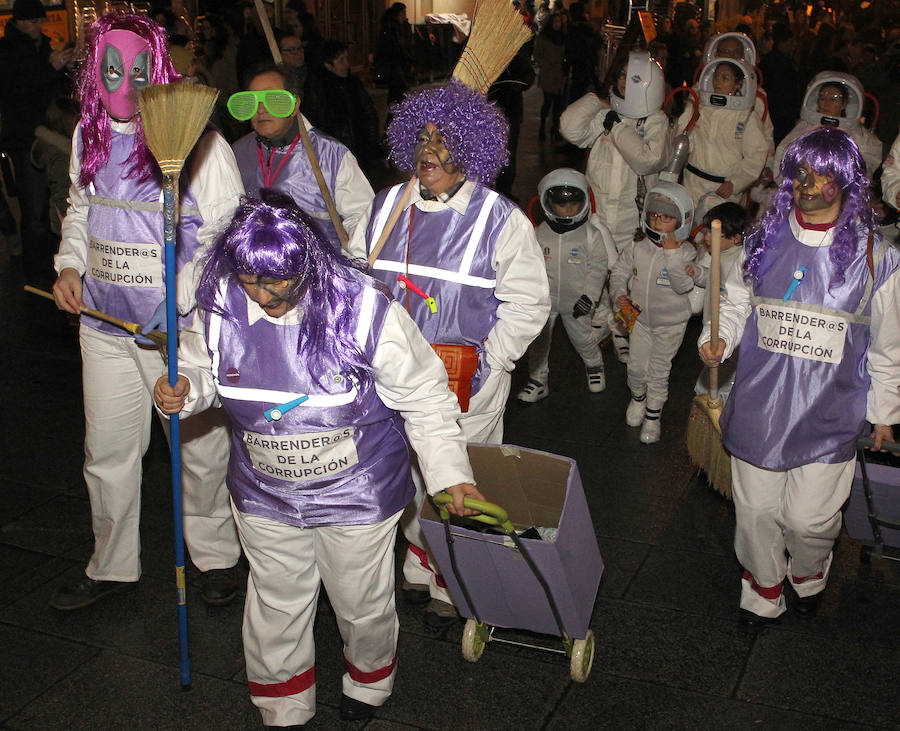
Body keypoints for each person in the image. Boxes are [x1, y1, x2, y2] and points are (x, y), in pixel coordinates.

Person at [154, 190, 483, 727]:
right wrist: (182, 388)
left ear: (306, 263)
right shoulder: (220, 304)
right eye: (250, 281)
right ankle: (282, 697)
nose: (262, 296)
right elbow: (198, 367)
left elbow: (425, 396)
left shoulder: (366, 309)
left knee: (359, 599)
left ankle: (369, 675)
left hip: (357, 493)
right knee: (276, 597)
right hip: (265, 490)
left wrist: (449, 476)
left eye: (275, 282)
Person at [49, 13, 243, 611]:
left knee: (197, 452)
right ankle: (111, 565)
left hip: (174, 332)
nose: (125, 83)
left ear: (156, 69)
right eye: (112, 70)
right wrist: (68, 265)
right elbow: (82, 207)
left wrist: (178, 295)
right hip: (104, 324)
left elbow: (227, 235)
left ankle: (214, 557)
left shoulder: (198, 141)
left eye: (137, 70)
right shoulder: (90, 134)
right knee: (105, 451)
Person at [347, 79, 550, 626]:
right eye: (422, 137)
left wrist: (491, 364)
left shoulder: (500, 219)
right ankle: (421, 552)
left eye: (444, 141)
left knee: (460, 481)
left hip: (467, 385)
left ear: (471, 150)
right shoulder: (385, 206)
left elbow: (528, 304)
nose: (428, 151)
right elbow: (355, 279)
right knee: (409, 472)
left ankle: (451, 577)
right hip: (393, 381)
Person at [698, 128, 900, 628]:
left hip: (830, 410)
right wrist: (717, 334)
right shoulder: (764, 241)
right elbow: (735, 301)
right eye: (800, 173)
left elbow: (888, 345)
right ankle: (763, 587)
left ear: (846, 182)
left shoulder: (876, 257)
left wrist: (884, 413)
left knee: (808, 521)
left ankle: (808, 573)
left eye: (823, 174)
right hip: (762, 404)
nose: (809, 184)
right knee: (757, 512)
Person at [560, 49, 671, 363]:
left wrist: (617, 126)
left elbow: (647, 159)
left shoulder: (655, 120)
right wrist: (596, 100)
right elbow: (570, 129)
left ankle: (623, 331)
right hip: (596, 216)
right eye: (620, 75)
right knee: (597, 273)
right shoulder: (606, 113)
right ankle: (608, 324)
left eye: (631, 77)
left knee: (627, 281)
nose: (624, 81)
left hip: (631, 220)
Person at [228, 63, 374, 252]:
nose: (261, 109)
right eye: (252, 101)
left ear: (294, 104)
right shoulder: (237, 153)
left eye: (274, 100)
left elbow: (363, 220)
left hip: (318, 275)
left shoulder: (330, 156)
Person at [610, 182, 696, 444]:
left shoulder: (686, 252)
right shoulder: (637, 247)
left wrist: (671, 253)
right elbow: (619, 271)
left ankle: (653, 416)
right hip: (638, 319)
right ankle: (637, 399)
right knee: (636, 367)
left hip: (670, 324)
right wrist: (618, 296)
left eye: (666, 217)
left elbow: (683, 285)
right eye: (653, 215)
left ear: (681, 221)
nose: (658, 222)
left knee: (658, 371)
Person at [517, 168, 611, 402]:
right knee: (538, 342)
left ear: (584, 202)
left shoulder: (591, 235)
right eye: (561, 204)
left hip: (576, 301)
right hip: (545, 301)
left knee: (583, 339)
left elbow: (598, 269)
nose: (568, 209)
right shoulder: (540, 234)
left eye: (574, 203)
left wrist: (589, 297)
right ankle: (538, 379)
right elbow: (530, 267)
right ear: (549, 203)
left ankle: (595, 366)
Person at [0, 0, 74, 278]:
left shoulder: (43, 46)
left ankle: (54, 264)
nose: (38, 26)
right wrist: (49, 69)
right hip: (24, 139)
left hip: (51, 135)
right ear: (18, 21)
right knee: (33, 210)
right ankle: (34, 270)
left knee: (55, 203)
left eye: (40, 21)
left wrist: (64, 68)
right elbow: (14, 93)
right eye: (32, 21)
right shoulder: (7, 51)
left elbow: (50, 90)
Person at [677, 58, 768, 222]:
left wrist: (735, 183)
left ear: (738, 84)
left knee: (718, 240)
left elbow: (757, 155)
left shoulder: (746, 117)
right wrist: (690, 110)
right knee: (688, 234)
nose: (718, 82)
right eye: (716, 77)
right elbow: (682, 138)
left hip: (723, 190)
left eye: (725, 78)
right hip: (693, 183)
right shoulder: (701, 109)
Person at [690, 201, 750, 401]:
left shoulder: (739, 263)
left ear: (735, 238)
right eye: (706, 231)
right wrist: (697, 273)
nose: (707, 237)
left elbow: (736, 303)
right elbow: (709, 279)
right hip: (713, 328)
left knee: (720, 386)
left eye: (714, 234)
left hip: (731, 339)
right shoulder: (717, 256)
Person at [773, 73, 883, 179]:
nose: (826, 103)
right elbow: (783, 156)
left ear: (844, 104)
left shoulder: (859, 135)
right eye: (822, 98)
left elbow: (867, 165)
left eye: (833, 99)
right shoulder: (804, 128)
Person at [304, 40, 381, 176]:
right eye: (340, 60)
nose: (346, 64)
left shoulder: (353, 84)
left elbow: (369, 112)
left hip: (361, 149)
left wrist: (371, 143)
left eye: (346, 58)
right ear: (328, 65)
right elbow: (318, 123)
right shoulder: (318, 89)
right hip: (335, 154)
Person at [533, 12, 567, 143]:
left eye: (559, 22)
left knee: (558, 105)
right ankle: (542, 126)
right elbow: (537, 55)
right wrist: (545, 64)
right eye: (555, 22)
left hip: (558, 75)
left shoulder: (563, 37)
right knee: (547, 102)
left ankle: (554, 129)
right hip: (548, 74)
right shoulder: (544, 38)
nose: (557, 25)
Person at [375, 2, 413, 106]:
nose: (405, 15)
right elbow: (396, 46)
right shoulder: (391, 28)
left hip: (396, 63)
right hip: (393, 63)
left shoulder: (399, 26)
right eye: (403, 13)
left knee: (397, 91)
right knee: (398, 90)